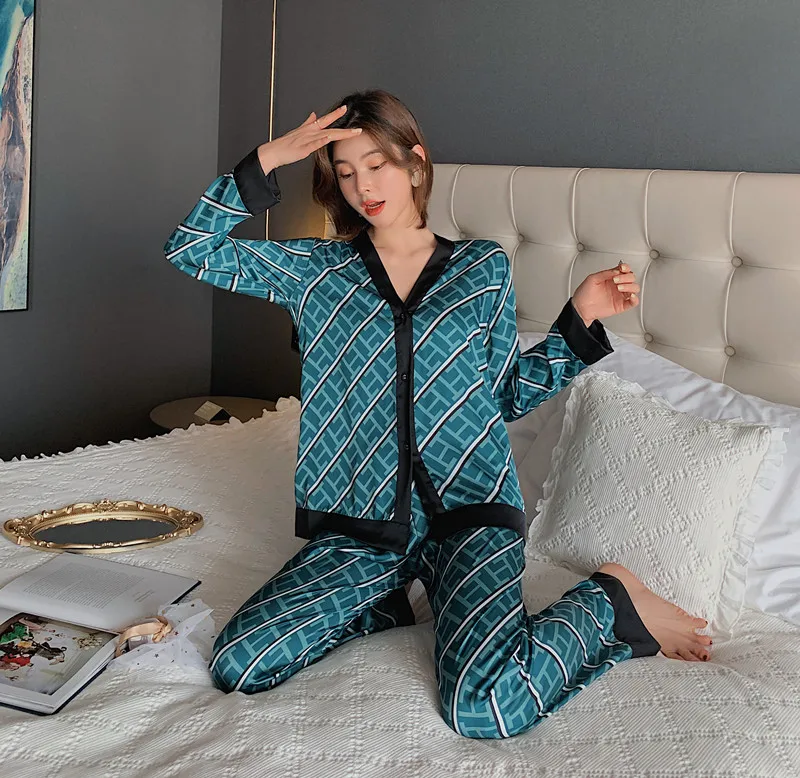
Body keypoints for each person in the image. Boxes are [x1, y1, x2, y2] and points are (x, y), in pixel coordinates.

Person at [164, 90, 711, 739]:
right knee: (239, 663)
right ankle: (394, 604)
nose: (364, 186)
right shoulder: (316, 270)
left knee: (482, 708)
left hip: (470, 513)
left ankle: (609, 601)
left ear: (415, 162)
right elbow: (190, 247)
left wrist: (580, 318)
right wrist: (270, 158)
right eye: (346, 172)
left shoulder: (481, 268)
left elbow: (505, 395)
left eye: (377, 165)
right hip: (366, 524)